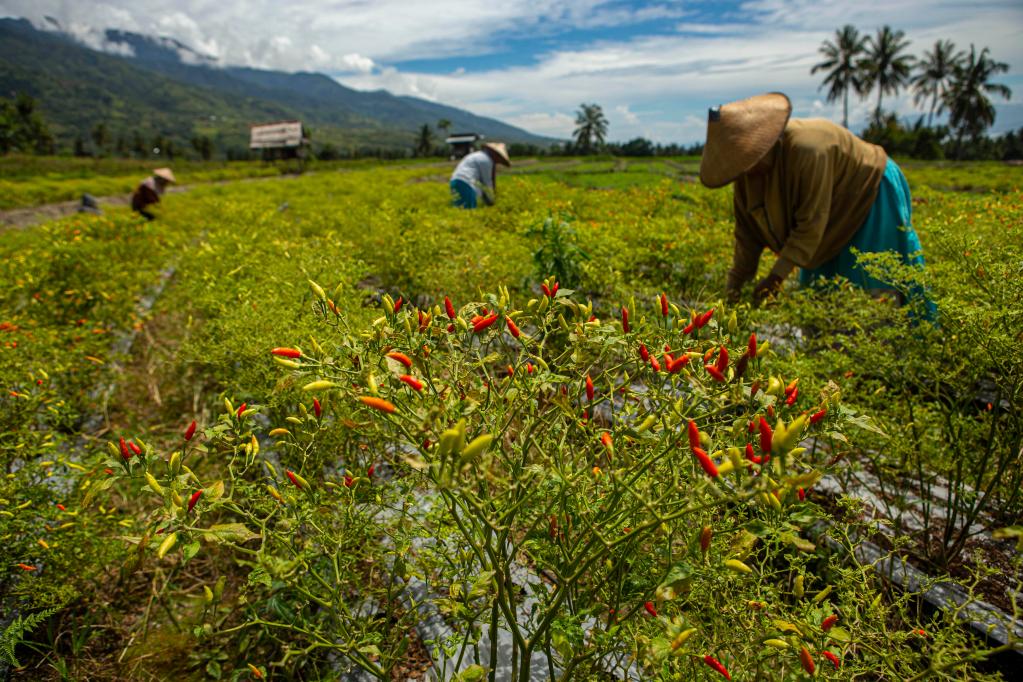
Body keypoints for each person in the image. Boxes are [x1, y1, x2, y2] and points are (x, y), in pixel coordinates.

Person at [700, 92, 931, 310]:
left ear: (764, 147)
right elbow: (747, 236)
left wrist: (775, 277)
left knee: (869, 290)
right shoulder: (746, 178)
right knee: (820, 299)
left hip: (867, 194)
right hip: (826, 227)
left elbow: (811, 222)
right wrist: (733, 291)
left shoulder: (808, 151)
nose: (747, 172)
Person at [450, 142, 511, 208]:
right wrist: (492, 201)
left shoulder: (479, 155)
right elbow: (487, 183)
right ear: (496, 154)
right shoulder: (486, 160)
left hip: (455, 181)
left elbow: (482, 185)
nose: (498, 162)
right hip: (466, 183)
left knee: (460, 208)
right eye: (499, 159)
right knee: (468, 210)